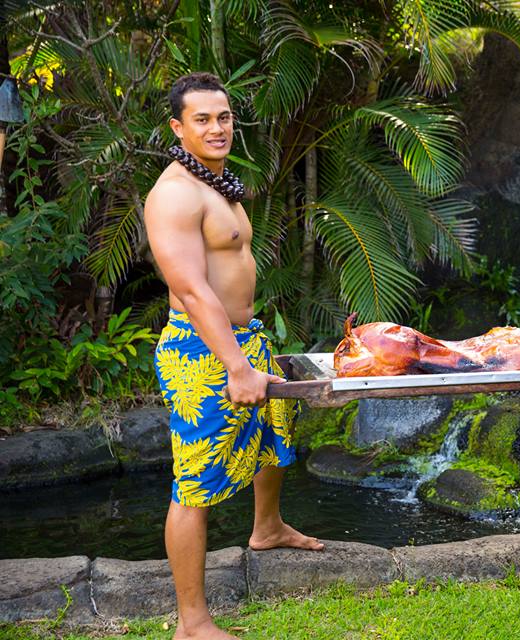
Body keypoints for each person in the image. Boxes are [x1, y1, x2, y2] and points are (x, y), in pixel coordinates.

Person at [144, 72, 324, 640]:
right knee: (192, 485)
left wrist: (249, 354)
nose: (217, 128)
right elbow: (194, 290)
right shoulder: (174, 192)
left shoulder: (219, 182)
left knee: (274, 437)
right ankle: (192, 622)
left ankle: (266, 529)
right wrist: (237, 367)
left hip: (243, 340)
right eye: (202, 119)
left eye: (223, 117)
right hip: (202, 350)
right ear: (178, 127)